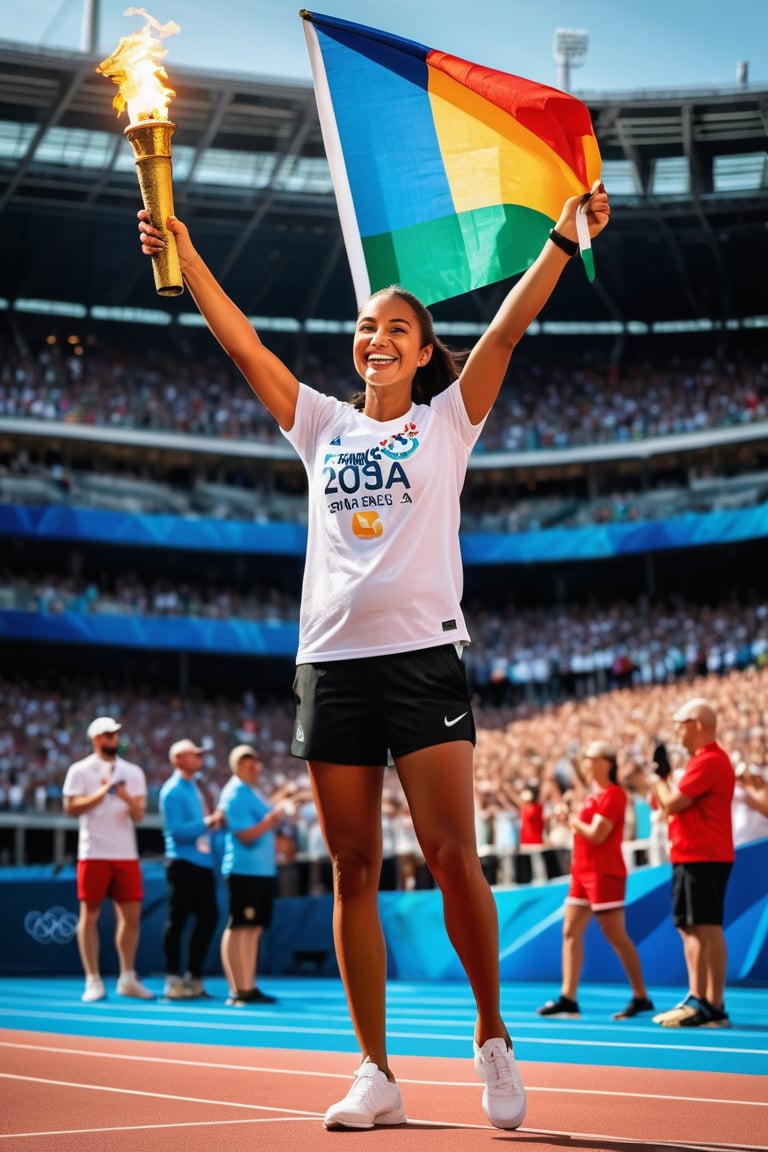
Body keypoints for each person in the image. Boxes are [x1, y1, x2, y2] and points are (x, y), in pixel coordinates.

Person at [138, 179, 610, 1129]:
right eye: (365, 327)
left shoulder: (448, 421)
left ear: (425, 351)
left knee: (449, 856)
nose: (376, 338)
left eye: (397, 328)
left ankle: (492, 1038)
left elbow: (507, 333)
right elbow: (243, 345)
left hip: (422, 659)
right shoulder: (322, 422)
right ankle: (374, 1071)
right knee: (353, 865)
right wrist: (183, 256)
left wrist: (560, 243)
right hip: (330, 665)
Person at [537, 742, 654, 1020]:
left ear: (605, 762)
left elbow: (596, 834)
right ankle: (568, 996)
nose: (586, 763)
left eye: (590, 759)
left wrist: (570, 820)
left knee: (616, 935)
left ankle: (641, 996)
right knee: (570, 932)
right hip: (583, 871)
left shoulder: (614, 795)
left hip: (604, 872)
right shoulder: (594, 795)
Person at [651, 697, 735, 1027]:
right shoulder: (705, 761)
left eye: (681, 723)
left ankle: (711, 1002)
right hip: (692, 853)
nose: (677, 731)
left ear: (698, 725)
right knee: (692, 926)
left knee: (706, 926)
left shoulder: (709, 760)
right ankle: (700, 998)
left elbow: (672, 803)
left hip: (704, 854)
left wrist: (659, 777)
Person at [62, 715, 155, 1002]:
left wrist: (123, 795)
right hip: (93, 852)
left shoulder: (133, 772)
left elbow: (139, 815)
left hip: (125, 853)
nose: (115, 739)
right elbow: (70, 808)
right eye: (108, 734)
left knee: (131, 917)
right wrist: (103, 791)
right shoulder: (80, 770)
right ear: (96, 739)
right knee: (88, 915)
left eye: (116, 734)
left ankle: (127, 975)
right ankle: (92, 979)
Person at [216, 744, 296, 1006]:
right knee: (239, 925)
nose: (254, 766)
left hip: (260, 870)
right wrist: (273, 818)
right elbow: (245, 835)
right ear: (237, 766)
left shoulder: (251, 792)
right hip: (244, 869)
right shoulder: (234, 793)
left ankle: (247, 985)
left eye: (255, 761)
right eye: (247, 762)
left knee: (253, 928)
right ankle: (237, 988)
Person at [158, 737, 225, 1000]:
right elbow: (177, 832)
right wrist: (209, 821)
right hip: (183, 862)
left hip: (202, 863)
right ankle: (173, 979)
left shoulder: (193, 787)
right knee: (178, 920)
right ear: (178, 759)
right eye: (193, 754)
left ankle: (193, 976)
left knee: (208, 918)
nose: (199, 758)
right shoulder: (173, 790)